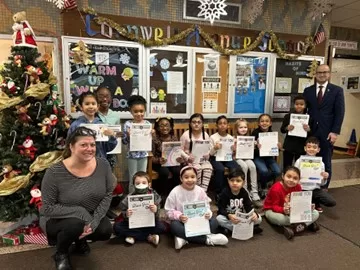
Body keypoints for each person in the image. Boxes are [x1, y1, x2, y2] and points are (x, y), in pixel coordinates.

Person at [40, 126, 114, 270]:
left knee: (105, 230)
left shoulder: (103, 165)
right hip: (59, 218)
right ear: (71, 147)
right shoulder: (54, 172)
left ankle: (80, 240)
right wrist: (81, 213)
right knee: (75, 224)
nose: (90, 148)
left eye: (92, 144)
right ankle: (61, 253)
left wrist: (94, 221)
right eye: (83, 145)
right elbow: (47, 208)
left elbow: (108, 194)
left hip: (90, 214)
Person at [165, 166, 228, 249]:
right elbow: (169, 211)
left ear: (196, 178)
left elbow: (206, 206)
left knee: (214, 222)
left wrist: (208, 213)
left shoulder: (200, 190)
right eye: (186, 177)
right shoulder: (175, 191)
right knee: (174, 226)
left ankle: (184, 239)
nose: (190, 180)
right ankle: (207, 239)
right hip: (183, 223)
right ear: (181, 178)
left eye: (193, 177)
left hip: (200, 222)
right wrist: (179, 216)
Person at [303, 64, 345, 189]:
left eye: (325, 72)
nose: (322, 74)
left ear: (329, 74)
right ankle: (309, 186)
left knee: (325, 161)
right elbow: (304, 111)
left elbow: (340, 112)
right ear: (315, 74)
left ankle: (323, 189)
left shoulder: (337, 91)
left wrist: (335, 132)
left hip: (327, 132)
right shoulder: (308, 90)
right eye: (319, 72)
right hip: (310, 131)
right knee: (309, 159)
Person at [263, 166, 320, 240]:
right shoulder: (276, 189)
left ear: (299, 180)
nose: (291, 180)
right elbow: (274, 207)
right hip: (272, 210)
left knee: (316, 213)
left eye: (295, 178)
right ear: (283, 176)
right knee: (281, 219)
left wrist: (308, 207)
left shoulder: (298, 187)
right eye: (288, 176)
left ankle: (294, 227)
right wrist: (284, 210)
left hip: (291, 211)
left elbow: (299, 203)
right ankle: (305, 224)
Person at [113, 171, 166, 246]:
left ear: (149, 184)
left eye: (144, 183)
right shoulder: (130, 197)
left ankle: (133, 236)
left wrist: (155, 210)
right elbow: (123, 211)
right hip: (133, 225)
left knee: (162, 227)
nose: (141, 185)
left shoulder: (154, 196)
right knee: (117, 227)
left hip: (149, 224)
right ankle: (149, 237)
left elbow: (157, 216)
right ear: (134, 185)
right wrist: (126, 214)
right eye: (137, 183)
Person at [67, 92, 117, 159]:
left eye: (93, 104)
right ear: (81, 107)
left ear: (97, 106)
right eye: (87, 104)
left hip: (99, 162)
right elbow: (69, 144)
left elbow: (108, 148)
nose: (90, 106)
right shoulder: (75, 125)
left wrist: (112, 137)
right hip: (80, 161)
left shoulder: (102, 125)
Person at [294, 137, 336, 213]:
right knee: (298, 207)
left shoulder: (321, 163)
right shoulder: (299, 161)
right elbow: (293, 176)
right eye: (309, 147)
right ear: (305, 148)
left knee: (331, 202)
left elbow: (322, 183)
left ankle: (313, 201)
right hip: (301, 188)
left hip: (315, 189)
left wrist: (324, 178)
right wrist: (297, 180)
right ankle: (311, 203)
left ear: (318, 150)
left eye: (314, 147)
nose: (311, 149)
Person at [216, 168, 263, 235]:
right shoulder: (224, 193)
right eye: (232, 180)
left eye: (238, 181)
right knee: (219, 219)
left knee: (259, 218)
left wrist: (254, 214)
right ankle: (245, 229)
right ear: (228, 181)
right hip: (230, 218)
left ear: (243, 182)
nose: (235, 183)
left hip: (241, 218)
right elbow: (221, 209)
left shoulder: (244, 193)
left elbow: (249, 206)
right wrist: (229, 215)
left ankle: (231, 230)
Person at [122, 95, 151, 193]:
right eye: (136, 111)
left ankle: (143, 196)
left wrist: (152, 135)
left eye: (141, 111)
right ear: (131, 111)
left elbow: (150, 142)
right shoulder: (128, 124)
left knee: (143, 177)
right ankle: (131, 198)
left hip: (143, 155)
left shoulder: (147, 124)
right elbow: (124, 141)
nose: (139, 114)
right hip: (132, 155)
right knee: (133, 177)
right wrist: (128, 135)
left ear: (145, 111)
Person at [180, 113, 213, 192]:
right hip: (190, 160)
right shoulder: (186, 135)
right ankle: (195, 190)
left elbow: (209, 148)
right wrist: (187, 157)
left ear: (202, 124)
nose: (196, 124)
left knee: (208, 168)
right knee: (197, 169)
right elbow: (179, 150)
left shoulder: (205, 135)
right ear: (190, 124)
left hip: (202, 159)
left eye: (199, 122)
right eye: (194, 122)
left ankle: (203, 192)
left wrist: (207, 154)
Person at [151, 116, 183, 197]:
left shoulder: (173, 138)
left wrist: (179, 158)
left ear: (171, 127)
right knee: (164, 172)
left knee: (177, 171)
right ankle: (161, 194)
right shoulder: (154, 139)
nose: (164, 128)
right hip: (159, 163)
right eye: (161, 125)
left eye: (167, 125)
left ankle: (174, 192)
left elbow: (177, 152)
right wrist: (158, 160)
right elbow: (151, 155)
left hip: (171, 162)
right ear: (157, 128)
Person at [209, 115, 240, 195]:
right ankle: (219, 192)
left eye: (224, 123)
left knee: (235, 167)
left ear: (228, 125)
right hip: (215, 158)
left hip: (227, 158)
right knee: (220, 169)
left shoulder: (230, 138)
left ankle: (232, 189)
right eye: (220, 123)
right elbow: (210, 153)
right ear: (216, 125)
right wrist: (215, 148)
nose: (222, 125)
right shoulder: (213, 137)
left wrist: (234, 150)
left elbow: (232, 154)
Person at [234, 119, 262, 207]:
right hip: (237, 158)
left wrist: (256, 145)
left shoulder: (250, 139)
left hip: (247, 157)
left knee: (252, 166)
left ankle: (254, 192)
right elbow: (231, 152)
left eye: (245, 127)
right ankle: (245, 191)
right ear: (237, 129)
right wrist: (234, 146)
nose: (243, 129)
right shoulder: (234, 139)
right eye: (241, 127)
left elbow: (252, 150)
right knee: (244, 167)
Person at [251, 114, 281, 193]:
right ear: (259, 123)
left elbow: (275, 150)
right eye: (262, 121)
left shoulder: (272, 134)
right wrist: (256, 146)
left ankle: (271, 186)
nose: (264, 123)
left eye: (267, 121)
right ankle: (263, 186)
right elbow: (251, 149)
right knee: (264, 171)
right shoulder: (255, 132)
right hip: (258, 157)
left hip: (268, 157)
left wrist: (278, 147)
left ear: (270, 123)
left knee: (278, 171)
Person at [281, 95, 311, 169]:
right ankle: (285, 178)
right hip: (289, 145)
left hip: (301, 145)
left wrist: (308, 129)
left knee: (300, 166)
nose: (299, 106)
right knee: (287, 165)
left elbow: (311, 133)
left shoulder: (309, 118)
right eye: (297, 104)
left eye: (301, 104)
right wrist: (287, 128)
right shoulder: (288, 116)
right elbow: (282, 130)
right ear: (294, 105)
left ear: (305, 105)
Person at [95, 86, 122, 168]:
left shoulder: (116, 116)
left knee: (109, 177)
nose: (105, 99)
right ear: (95, 98)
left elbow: (117, 135)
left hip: (111, 153)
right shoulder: (93, 115)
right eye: (101, 96)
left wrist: (120, 135)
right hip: (96, 152)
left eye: (107, 96)